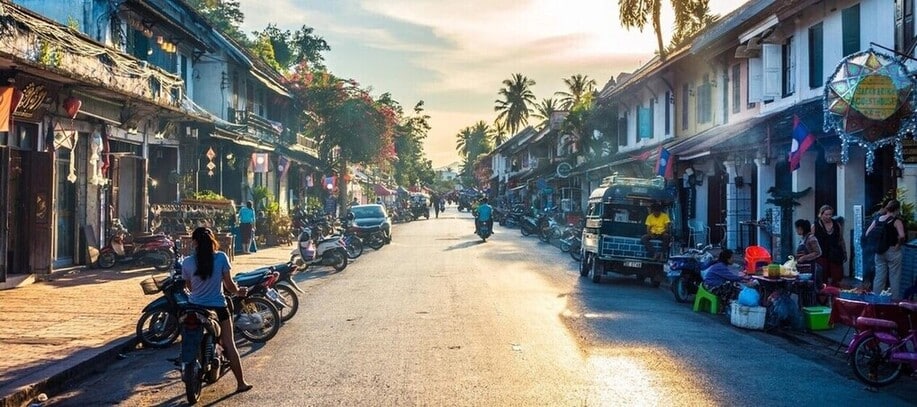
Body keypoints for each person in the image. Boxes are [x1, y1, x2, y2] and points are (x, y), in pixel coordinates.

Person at [181, 227, 253, 394]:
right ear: (212, 240)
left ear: (194, 243)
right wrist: (238, 292)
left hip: (194, 307)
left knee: (187, 335)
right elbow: (229, 285)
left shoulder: (187, 262)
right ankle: (241, 383)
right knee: (229, 343)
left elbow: (189, 287)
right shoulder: (221, 258)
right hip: (218, 307)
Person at [865, 200, 906, 299]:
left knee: (879, 277)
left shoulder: (878, 219)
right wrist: (898, 245)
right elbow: (902, 235)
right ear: (897, 209)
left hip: (879, 250)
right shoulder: (896, 221)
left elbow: (867, 234)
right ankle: (894, 301)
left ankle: (876, 299)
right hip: (892, 250)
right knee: (894, 277)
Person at [813, 205, 847, 287]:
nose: (828, 216)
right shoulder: (815, 225)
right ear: (821, 214)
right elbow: (811, 240)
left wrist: (844, 251)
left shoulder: (836, 224)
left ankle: (835, 294)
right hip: (822, 254)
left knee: (836, 276)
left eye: (830, 214)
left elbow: (841, 239)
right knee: (823, 276)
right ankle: (823, 296)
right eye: (826, 214)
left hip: (835, 253)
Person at [795, 219, 823, 283]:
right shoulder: (803, 238)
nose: (796, 230)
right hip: (802, 267)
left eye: (797, 228)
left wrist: (803, 258)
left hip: (810, 267)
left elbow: (818, 252)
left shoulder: (811, 238)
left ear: (801, 228)